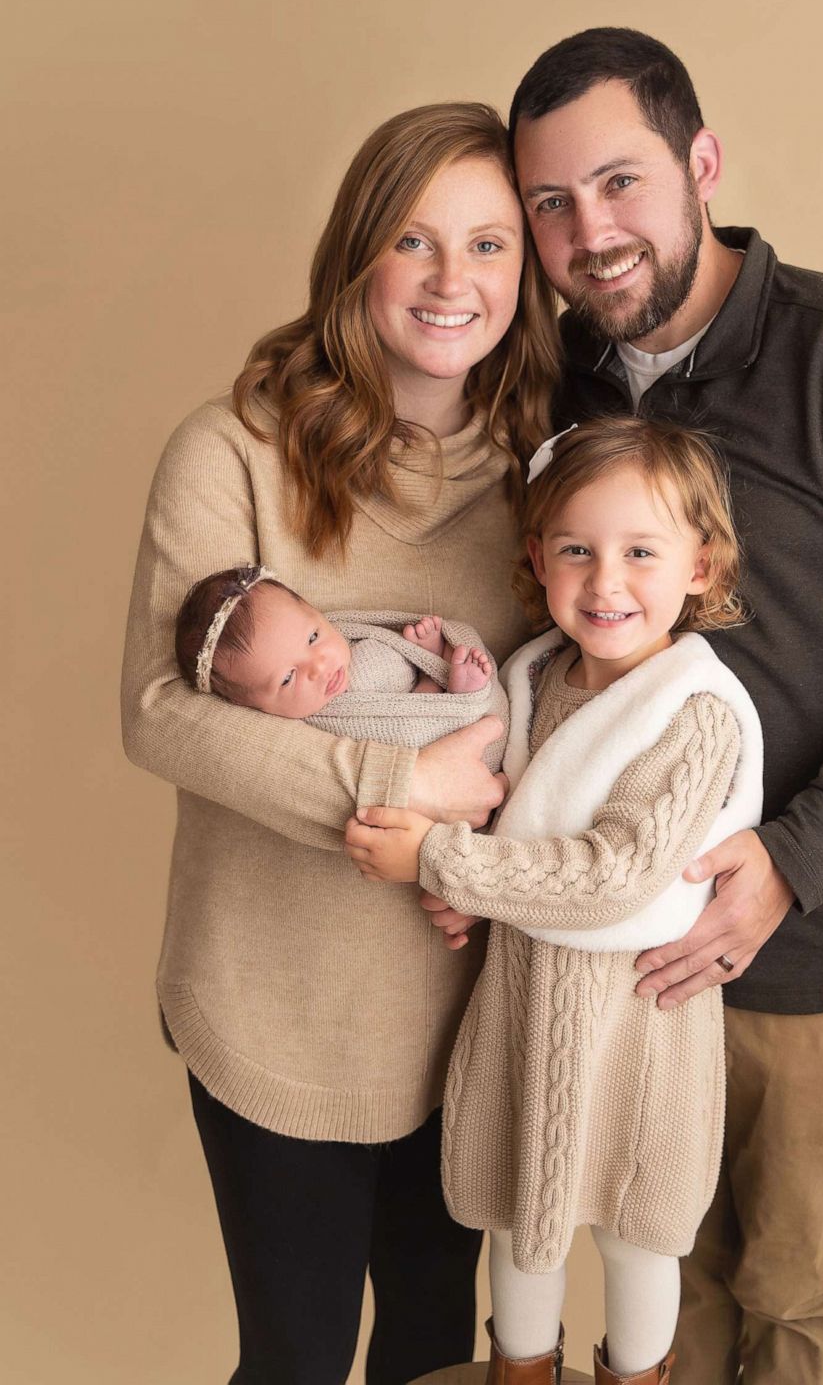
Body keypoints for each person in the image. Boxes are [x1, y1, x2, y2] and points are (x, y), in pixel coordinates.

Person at [414, 29, 823, 1385]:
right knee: (649, 1284)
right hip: (612, 945)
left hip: (819, 938)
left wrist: (788, 865)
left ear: (700, 164)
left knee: (790, 1289)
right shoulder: (552, 382)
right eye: (550, 205)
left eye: (620, 183)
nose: (589, 233)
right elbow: (534, 646)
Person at [121, 101, 559, 1385]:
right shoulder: (233, 448)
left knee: (434, 1354)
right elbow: (158, 711)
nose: (451, 281)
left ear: (523, 275)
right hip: (272, 1008)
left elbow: (561, 712)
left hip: (465, 1013)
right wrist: (397, 780)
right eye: (415, 241)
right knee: (297, 1360)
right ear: (357, 253)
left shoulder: (545, 474)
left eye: (487, 245)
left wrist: (494, 845)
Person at [348, 417, 762, 1385]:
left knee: (633, 1236)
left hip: (636, 1028)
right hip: (525, 1007)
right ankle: (518, 1371)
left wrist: (440, 863)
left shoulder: (690, 710)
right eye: (575, 549)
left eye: (640, 552)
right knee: (518, 1228)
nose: (604, 581)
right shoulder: (534, 679)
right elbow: (513, 823)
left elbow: (615, 870)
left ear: (699, 565)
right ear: (537, 558)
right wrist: (473, 882)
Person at [174, 566, 497, 709]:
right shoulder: (322, 723)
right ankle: (446, 686)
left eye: (313, 637)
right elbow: (401, 729)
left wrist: (407, 649)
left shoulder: (355, 644)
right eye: (287, 678)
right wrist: (434, 686)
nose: (318, 666)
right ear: (249, 706)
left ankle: (426, 660)